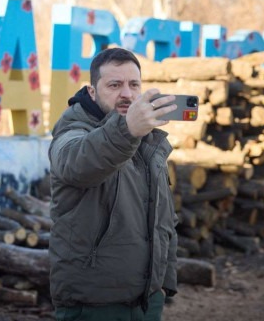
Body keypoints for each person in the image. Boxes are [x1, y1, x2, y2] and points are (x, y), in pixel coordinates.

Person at [48, 47, 179, 321]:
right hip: (93, 305)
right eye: (115, 85)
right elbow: (77, 164)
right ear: (92, 92)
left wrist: (164, 284)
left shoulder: (148, 140)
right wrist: (128, 129)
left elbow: (163, 219)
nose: (127, 94)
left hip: (148, 300)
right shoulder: (72, 131)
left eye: (134, 85)